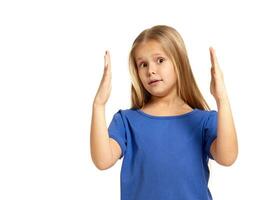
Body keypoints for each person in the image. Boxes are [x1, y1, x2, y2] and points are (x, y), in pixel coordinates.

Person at [90, 25, 238, 200]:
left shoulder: (203, 121)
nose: (150, 70)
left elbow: (227, 158)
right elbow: (102, 160)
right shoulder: (126, 121)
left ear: (179, 62)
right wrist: (98, 105)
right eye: (143, 64)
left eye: (160, 60)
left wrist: (222, 100)